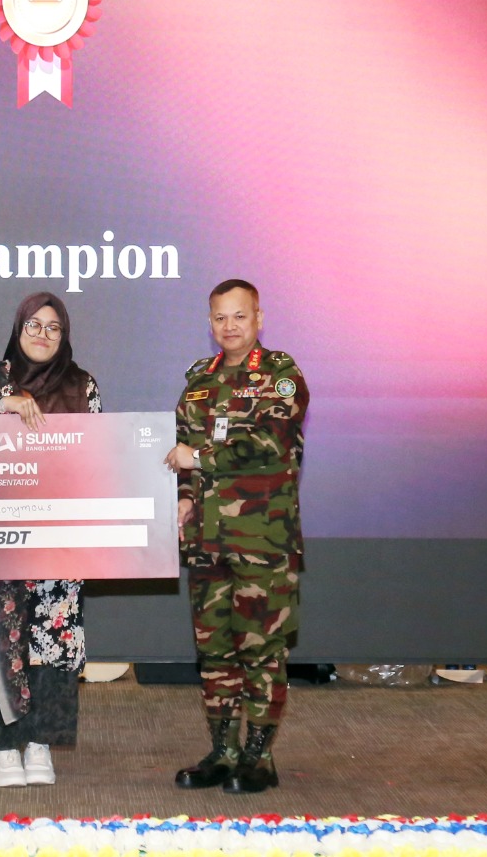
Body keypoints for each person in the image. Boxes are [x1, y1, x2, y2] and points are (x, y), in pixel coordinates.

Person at [165, 278, 308, 795]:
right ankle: (223, 753)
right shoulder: (198, 381)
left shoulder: (281, 375)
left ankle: (258, 757)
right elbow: (180, 449)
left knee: (262, 650)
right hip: (207, 541)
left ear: (259, 319)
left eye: (239, 316)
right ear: (210, 323)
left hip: (261, 541)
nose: (230, 326)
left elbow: (271, 441)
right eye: (220, 317)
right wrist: (184, 495)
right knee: (216, 652)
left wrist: (200, 459)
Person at [0, 292, 100, 788]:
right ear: (18, 330)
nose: (42, 334)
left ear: (65, 335)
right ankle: (2, 748)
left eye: (53, 327)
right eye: (32, 325)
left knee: (51, 643)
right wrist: (6, 401)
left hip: (56, 543)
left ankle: (40, 743)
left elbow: (98, 458)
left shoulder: (82, 386)